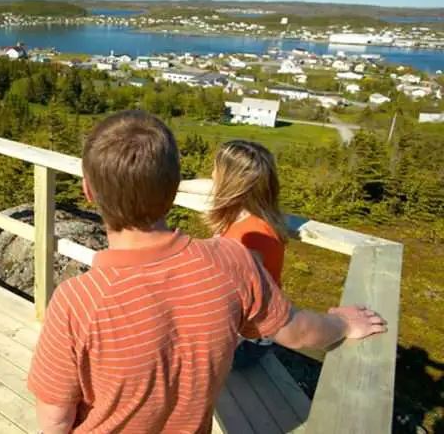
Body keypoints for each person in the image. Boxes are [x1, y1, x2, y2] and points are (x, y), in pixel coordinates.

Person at [27, 110, 386, 434]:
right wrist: (342, 323)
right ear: (173, 191)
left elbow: (55, 420)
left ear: (88, 191)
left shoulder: (75, 302)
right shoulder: (233, 261)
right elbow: (296, 331)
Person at [181, 140, 288, 368]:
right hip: (243, 328)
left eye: (216, 169)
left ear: (231, 182)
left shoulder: (251, 238)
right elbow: (209, 186)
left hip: (245, 342)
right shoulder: (252, 212)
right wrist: (174, 185)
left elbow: (231, 304)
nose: (211, 173)